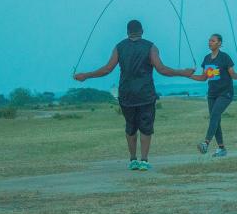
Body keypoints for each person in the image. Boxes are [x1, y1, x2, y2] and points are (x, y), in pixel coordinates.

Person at [74, 20, 194, 171]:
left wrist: (86, 75)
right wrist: (183, 72)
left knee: (130, 127)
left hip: (126, 94)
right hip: (145, 94)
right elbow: (162, 69)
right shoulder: (151, 47)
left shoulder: (119, 47)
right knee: (146, 127)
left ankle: (133, 160)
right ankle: (144, 160)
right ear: (142, 31)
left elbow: (107, 69)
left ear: (127, 32)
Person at [189, 33, 237, 157]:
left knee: (214, 114)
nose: (210, 42)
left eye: (213, 41)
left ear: (219, 43)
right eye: (209, 40)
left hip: (225, 93)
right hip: (212, 94)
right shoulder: (207, 59)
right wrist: (190, 75)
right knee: (216, 119)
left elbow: (233, 75)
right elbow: (204, 78)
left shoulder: (225, 57)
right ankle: (221, 148)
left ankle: (205, 143)